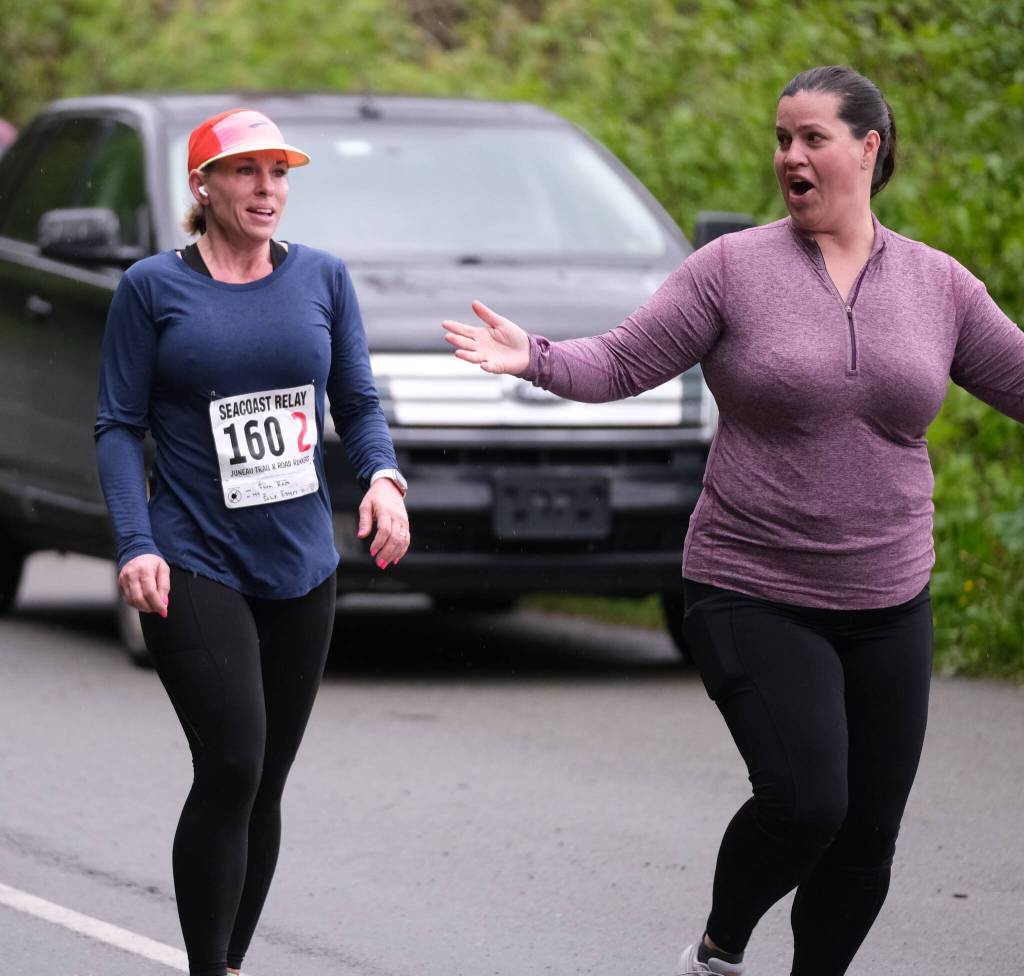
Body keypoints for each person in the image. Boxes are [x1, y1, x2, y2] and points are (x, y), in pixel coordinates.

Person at [442, 65, 1023, 976]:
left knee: (869, 833)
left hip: (888, 594)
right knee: (805, 802)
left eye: (812, 138)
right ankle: (717, 951)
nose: (790, 155)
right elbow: (626, 360)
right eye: (782, 138)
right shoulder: (732, 270)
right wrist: (536, 357)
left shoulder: (938, 286)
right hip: (753, 586)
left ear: (868, 150)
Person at [95, 107, 410, 976]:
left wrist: (383, 479)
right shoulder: (153, 289)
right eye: (246, 171)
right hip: (190, 556)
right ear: (204, 186)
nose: (267, 188)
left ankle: (230, 961)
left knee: (264, 779)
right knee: (232, 760)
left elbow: (357, 401)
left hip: (301, 564)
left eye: (278, 172)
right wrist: (135, 542)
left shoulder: (322, 278)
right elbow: (118, 426)